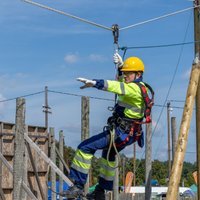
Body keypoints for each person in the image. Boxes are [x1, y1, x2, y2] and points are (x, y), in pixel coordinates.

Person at [63, 52, 153, 200]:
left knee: (85, 147)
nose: (125, 76)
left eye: (127, 74)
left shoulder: (134, 89)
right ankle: (100, 191)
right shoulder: (141, 87)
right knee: (108, 155)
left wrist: (94, 83)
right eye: (124, 74)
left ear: (138, 74)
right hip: (129, 134)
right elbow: (122, 86)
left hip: (120, 133)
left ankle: (78, 186)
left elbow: (116, 86)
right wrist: (121, 67)